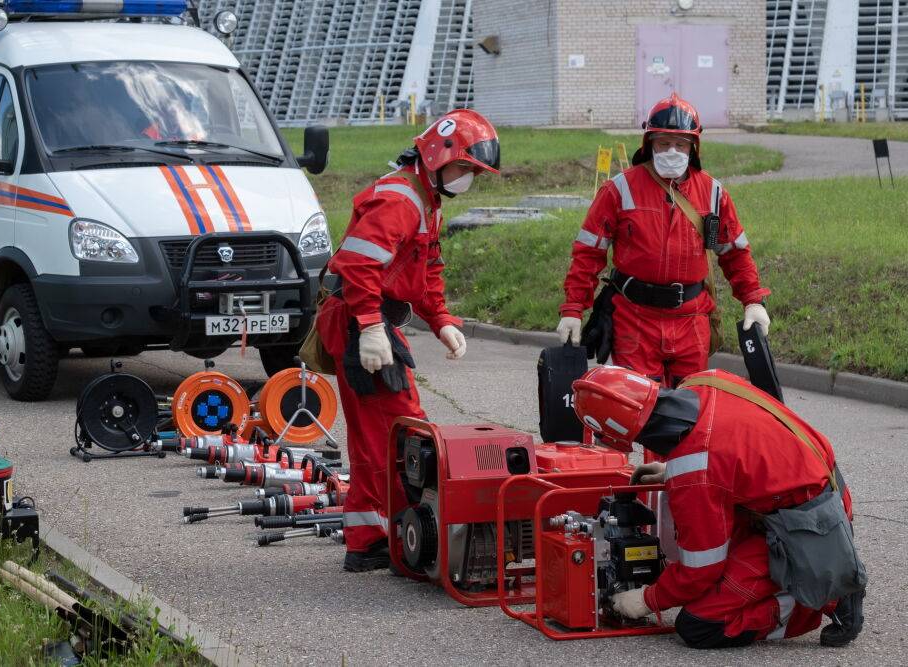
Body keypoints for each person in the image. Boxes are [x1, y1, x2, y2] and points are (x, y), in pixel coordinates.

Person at [315, 109, 501, 572]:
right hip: (361, 318)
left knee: (375, 437)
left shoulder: (424, 197)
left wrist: (440, 319)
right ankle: (406, 535)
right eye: (465, 169)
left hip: (365, 316)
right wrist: (372, 327)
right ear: (438, 157)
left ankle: (368, 539)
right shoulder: (403, 200)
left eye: (474, 173)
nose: (468, 179)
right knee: (405, 435)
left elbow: (427, 268)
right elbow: (359, 267)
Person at [571, 365, 867, 649]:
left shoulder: (696, 472)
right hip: (814, 487)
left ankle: (824, 596)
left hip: (809, 528)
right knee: (718, 550)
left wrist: (647, 599)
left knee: (700, 624)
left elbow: (699, 571)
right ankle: (815, 577)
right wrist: (673, 469)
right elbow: (740, 447)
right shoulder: (703, 381)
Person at [557, 93, 770, 387]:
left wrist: (752, 300)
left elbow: (734, 252)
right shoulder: (619, 189)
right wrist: (572, 309)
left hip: (691, 321)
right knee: (633, 407)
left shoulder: (712, 192)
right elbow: (588, 253)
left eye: (680, 144)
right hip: (635, 319)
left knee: (689, 412)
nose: (672, 150)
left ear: (693, 147)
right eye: (664, 143)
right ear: (649, 144)